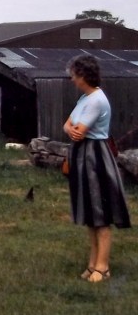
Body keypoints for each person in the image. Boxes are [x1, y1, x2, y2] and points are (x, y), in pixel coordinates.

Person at [63, 54, 131, 283]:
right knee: (91, 214)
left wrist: (73, 130)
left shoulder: (96, 100)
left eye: (74, 75)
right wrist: (71, 129)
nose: (72, 79)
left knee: (101, 214)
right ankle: (92, 263)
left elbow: (79, 130)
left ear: (83, 75)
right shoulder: (84, 98)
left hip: (96, 158)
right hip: (83, 156)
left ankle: (102, 266)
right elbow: (67, 124)